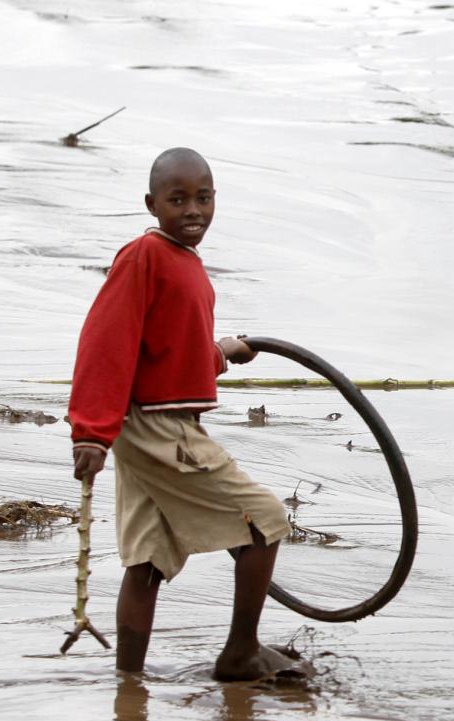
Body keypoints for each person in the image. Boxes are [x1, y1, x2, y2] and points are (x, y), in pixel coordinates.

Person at [69, 147, 292, 681]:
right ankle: (240, 654)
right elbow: (106, 342)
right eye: (177, 200)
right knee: (264, 521)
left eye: (204, 198)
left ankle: (129, 682)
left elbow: (172, 353)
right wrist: (91, 433)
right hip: (156, 429)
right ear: (152, 204)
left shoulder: (187, 264)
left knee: (146, 563)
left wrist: (222, 352)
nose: (193, 210)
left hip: (161, 422)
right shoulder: (143, 257)